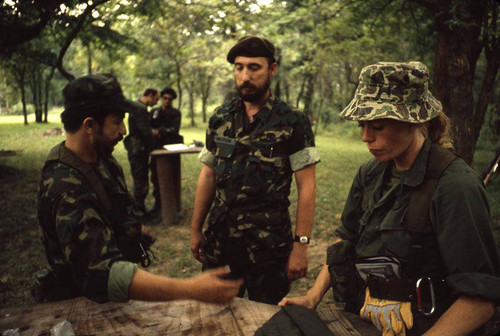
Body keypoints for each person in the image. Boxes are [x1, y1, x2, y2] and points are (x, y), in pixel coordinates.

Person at [279, 62, 500, 335]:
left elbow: (479, 300)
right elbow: (345, 240)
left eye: (379, 126)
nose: (365, 137)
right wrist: (313, 296)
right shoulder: (370, 173)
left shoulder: (455, 186)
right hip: (367, 321)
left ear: (415, 120)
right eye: (362, 124)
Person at [36, 73, 243, 304]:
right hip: (80, 306)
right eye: (117, 121)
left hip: (113, 301)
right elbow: (101, 273)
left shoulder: (103, 160)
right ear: (90, 125)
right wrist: (190, 289)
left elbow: (119, 208)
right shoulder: (65, 185)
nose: (124, 130)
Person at [190, 36, 321, 305]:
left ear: (272, 69)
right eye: (239, 68)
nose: (245, 76)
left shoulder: (292, 120)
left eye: (254, 68)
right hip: (221, 242)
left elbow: (306, 185)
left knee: (268, 319)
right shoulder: (221, 117)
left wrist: (301, 245)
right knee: (214, 316)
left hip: (268, 246)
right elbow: (209, 174)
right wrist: (195, 229)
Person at [123, 88, 159, 215]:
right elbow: (145, 131)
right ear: (149, 95)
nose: (156, 103)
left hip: (138, 149)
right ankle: (138, 213)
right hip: (138, 150)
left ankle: (140, 210)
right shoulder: (140, 109)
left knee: (141, 180)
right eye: (156, 99)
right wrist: (155, 132)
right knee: (140, 182)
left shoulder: (138, 107)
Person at [149, 87, 183, 215]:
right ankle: (158, 205)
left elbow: (174, 129)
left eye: (170, 99)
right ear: (161, 98)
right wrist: (155, 133)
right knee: (156, 177)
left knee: (173, 176)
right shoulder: (154, 112)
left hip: (171, 148)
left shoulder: (175, 113)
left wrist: (161, 131)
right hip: (156, 148)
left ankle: (174, 206)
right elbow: (149, 127)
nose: (167, 101)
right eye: (165, 98)